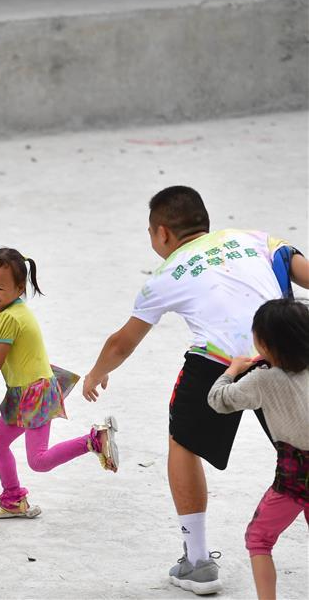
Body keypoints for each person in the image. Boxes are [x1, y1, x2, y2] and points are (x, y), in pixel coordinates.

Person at [81, 186, 308, 595]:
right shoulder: (254, 239)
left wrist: (96, 373)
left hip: (223, 363)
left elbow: (122, 342)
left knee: (182, 442)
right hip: (288, 352)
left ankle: (198, 562)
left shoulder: (165, 275)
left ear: (162, 233)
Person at [0, 248, 118, 519]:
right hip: (25, 391)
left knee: (38, 460)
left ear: (18, 288)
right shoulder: (5, 310)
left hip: (35, 394)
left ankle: (93, 441)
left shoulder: (11, 318)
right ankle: (13, 498)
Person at [207, 298, 308, 600]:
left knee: (259, 539)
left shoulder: (262, 380)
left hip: (294, 476)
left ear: (263, 344)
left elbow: (218, 400)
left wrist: (233, 370)